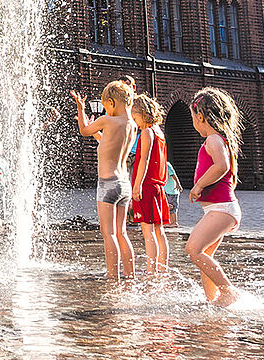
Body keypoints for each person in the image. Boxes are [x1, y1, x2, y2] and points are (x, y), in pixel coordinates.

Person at [70, 80, 136, 281]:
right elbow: (107, 142)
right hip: (124, 184)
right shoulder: (131, 125)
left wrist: (81, 110)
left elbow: (83, 130)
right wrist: (97, 131)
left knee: (109, 233)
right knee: (122, 232)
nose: (106, 109)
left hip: (107, 184)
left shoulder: (108, 120)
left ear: (112, 102)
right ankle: (130, 274)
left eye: (106, 105)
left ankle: (112, 276)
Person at [186, 87, 243, 307]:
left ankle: (228, 292)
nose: (194, 122)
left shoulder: (213, 140)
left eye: (193, 118)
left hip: (222, 209)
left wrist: (198, 185)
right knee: (205, 255)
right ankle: (213, 299)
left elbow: (222, 166)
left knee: (193, 249)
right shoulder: (217, 139)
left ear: (200, 116)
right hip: (219, 209)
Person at [130, 95, 170, 276]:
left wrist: (137, 186)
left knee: (148, 232)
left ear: (142, 114)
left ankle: (150, 270)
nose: (134, 121)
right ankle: (162, 268)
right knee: (159, 230)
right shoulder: (159, 132)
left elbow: (144, 160)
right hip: (158, 186)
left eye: (135, 117)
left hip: (147, 185)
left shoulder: (146, 132)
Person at [164, 162, 182, 227]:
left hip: (172, 190)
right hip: (166, 189)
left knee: (172, 207)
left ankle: (174, 222)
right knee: (168, 206)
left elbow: (173, 174)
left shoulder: (167, 164)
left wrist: (178, 184)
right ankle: (170, 222)